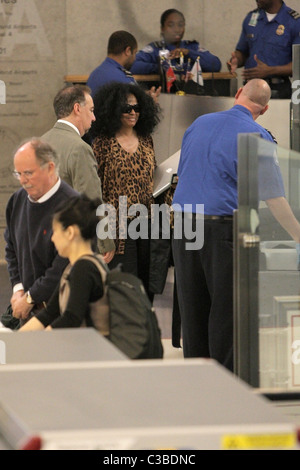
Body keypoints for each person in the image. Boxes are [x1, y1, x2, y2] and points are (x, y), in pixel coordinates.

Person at [172, 78, 300, 372]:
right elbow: (274, 197)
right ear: (265, 109)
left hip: (183, 226)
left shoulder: (198, 124)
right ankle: (225, 386)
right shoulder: (256, 135)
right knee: (226, 314)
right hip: (222, 231)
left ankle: (196, 380)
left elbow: (184, 175)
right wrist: (297, 235)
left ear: (238, 93)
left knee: (192, 310)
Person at [89, 82, 161, 303]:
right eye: (126, 108)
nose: (133, 113)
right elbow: (95, 189)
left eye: (137, 108)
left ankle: (142, 330)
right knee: (125, 286)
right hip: (117, 225)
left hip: (147, 222)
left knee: (148, 285)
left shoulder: (146, 140)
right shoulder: (102, 144)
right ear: (112, 110)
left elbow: (153, 177)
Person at [2, 138, 79, 329]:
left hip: (60, 316)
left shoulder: (72, 206)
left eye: (28, 173)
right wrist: (18, 289)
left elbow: (63, 265)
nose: (22, 180)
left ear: (50, 168)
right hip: (26, 310)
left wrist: (30, 297)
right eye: (18, 174)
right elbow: (11, 249)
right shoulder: (16, 201)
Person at [41, 84, 115, 263]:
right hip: (70, 243)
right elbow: (90, 199)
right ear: (77, 108)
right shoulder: (80, 148)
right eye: (91, 110)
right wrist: (104, 241)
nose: (94, 117)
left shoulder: (40, 143)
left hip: (41, 238)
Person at [19, 195, 106, 332]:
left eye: (55, 232)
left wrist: (40, 342)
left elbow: (71, 318)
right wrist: (18, 339)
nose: (52, 238)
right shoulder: (74, 267)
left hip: (90, 349)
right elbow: (49, 313)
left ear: (70, 232)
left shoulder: (84, 269)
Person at [227, 0, 300, 99]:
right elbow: (242, 51)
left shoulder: (294, 22)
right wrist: (236, 60)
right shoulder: (251, 18)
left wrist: (270, 71)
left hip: (278, 90)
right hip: (250, 89)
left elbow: (298, 65)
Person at [130, 9, 221, 79]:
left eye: (180, 25)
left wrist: (189, 53)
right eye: (171, 25)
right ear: (162, 28)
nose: (177, 29)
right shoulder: (155, 49)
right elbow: (131, 66)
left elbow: (216, 65)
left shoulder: (192, 47)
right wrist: (160, 68)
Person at [87, 30, 161, 102]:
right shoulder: (122, 80)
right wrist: (149, 102)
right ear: (128, 51)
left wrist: (143, 94)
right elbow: (134, 110)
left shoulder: (94, 75)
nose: (135, 58)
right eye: (135, 53)